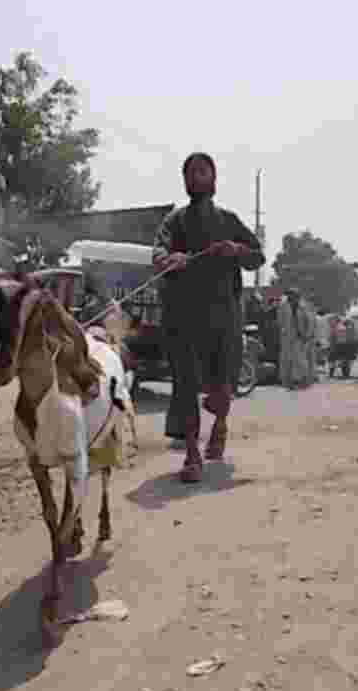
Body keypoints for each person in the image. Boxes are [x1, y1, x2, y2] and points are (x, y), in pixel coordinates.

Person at [153, 152, 265, 482]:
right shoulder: (174, 221)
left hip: (224, 317)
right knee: (185, 385)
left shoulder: (229, 220)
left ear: (214, 179)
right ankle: (191, 454)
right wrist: (168, 258)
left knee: (222, 386)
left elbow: (258, 255)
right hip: (183, 317)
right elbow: (158, 251)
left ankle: (220, 424)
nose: (196, 177)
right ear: (185, 182)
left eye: (202, 171)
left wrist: (236, 250)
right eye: (190, 173)